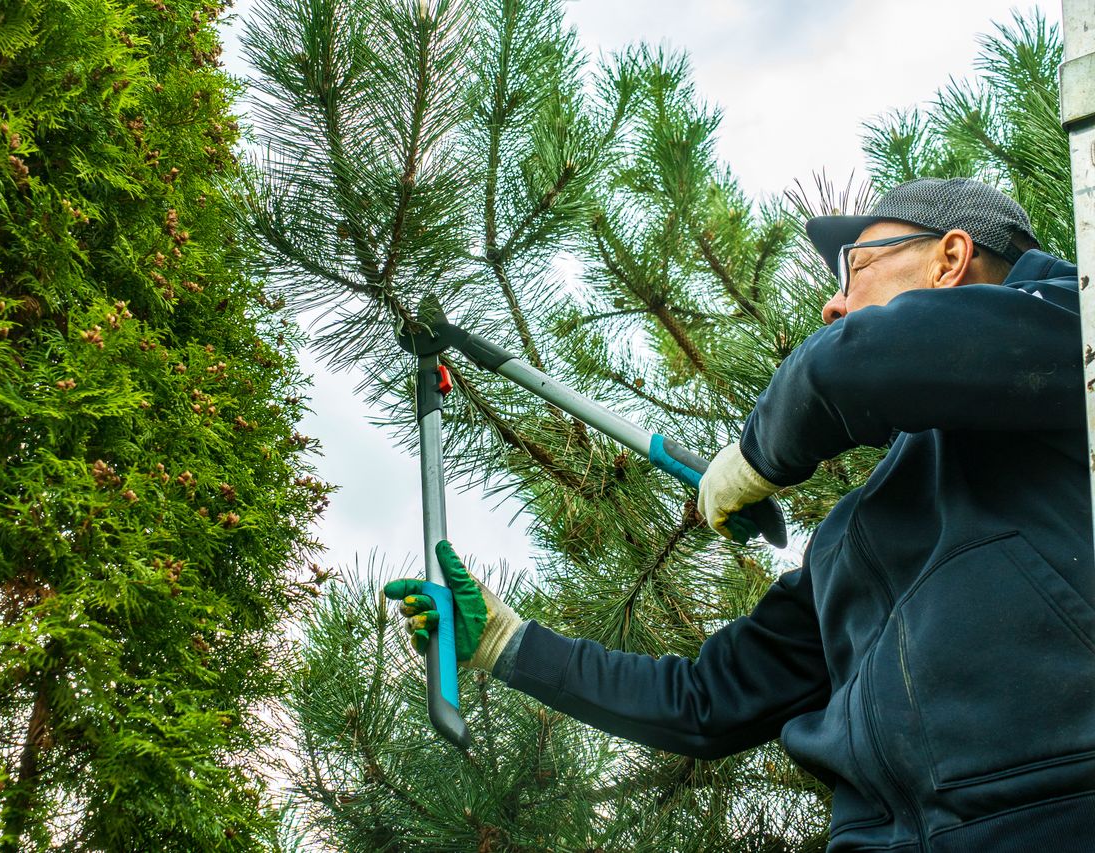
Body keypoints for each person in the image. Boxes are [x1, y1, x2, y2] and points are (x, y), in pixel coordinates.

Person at [384, 178, 1095, 850]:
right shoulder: (856, 540)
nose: (831, 306)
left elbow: (848, 364)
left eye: (853, 270)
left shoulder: (1073, 326)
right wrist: (510, 642)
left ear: (950, 256)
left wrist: (758, 451)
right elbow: (704, 700)